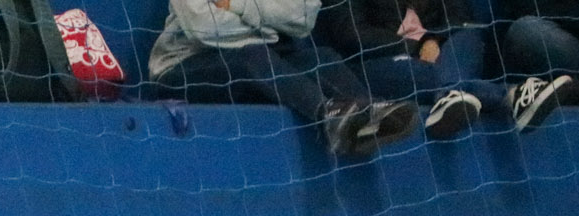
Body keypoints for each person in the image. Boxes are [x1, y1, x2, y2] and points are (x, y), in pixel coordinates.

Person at [146, 0, 421, 160]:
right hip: (182, 67)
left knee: (321, 57)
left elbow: (303, 17)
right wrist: (268, 23)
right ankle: (330, 117)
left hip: (266, 58)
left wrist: (237, 5)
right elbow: (203, 27)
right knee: (254, 55)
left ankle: (370, 112)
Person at [315, 0, 571, 135]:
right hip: (380, 61)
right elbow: (350, 34)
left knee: (469, 35)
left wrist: (434, 40)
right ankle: (512, 96)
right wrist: (417, 45)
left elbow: (461, 20)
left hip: (446, 54)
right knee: (430, 74)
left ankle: (451, 94)